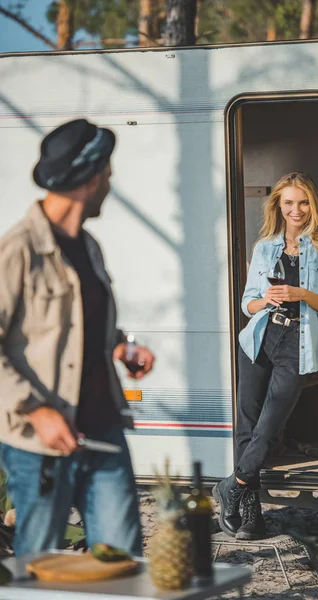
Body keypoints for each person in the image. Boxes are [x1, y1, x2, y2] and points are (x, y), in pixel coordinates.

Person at [0, 118, 155, 557]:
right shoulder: (18, 251)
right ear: (89, 178)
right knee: (40, 565)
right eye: (106, 172)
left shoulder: (88, 247)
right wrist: (36, 410)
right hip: (40, 442)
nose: (110, 181)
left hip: (102, 428)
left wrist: (122, 346)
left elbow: (80, 327)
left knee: (121, 560)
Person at [213, 172, 318, 540]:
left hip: (299, 342)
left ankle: (231, 485)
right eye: (288, 203)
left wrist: (299, 294)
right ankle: (252, 514)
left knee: (268, 427)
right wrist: (266, 299)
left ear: (312, 204)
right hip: (261, 338)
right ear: (278, 207)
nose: (296, 210)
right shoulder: (265, 247)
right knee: (247, 427)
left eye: (302, 202)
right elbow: (247, 304)